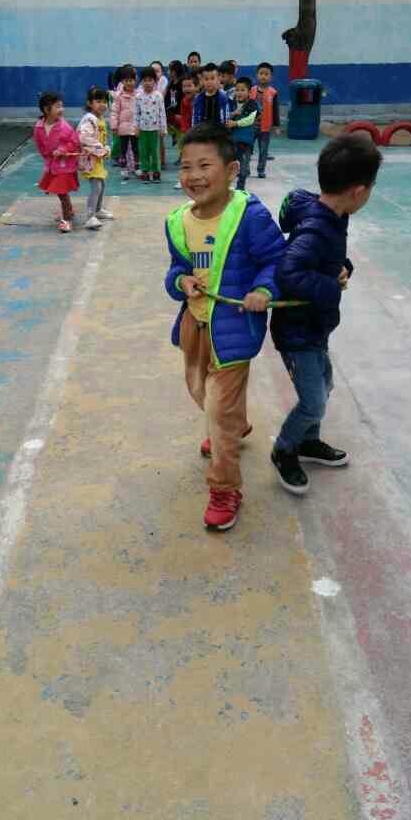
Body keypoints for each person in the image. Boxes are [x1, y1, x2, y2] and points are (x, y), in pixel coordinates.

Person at [165, 123, 285, 531]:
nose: (193, 176)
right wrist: (180, 281)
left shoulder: (249, 216)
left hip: (233, 330)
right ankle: (234, 426)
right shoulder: (178, 221)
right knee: (198, 389)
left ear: (232, 170)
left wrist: (264, 289)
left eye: (205, 166)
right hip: (194, 325)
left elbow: (276, 261)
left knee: (217, 412)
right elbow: (176, 270)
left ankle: (224, 489)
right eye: (186, 167)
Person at [269, 133, 383, 493]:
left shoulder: (332, 215)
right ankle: (284, 448)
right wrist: (331, 285)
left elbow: (324, 258)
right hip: (297, 333)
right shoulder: (319, 228)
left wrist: (342, 266)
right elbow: (289, 272)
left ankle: (307, 442)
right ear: (358, 191)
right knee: (313, 402)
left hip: (314, 327)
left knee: (325, 385)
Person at [33, 91, 80, 233]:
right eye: (58, 106)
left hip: (64, 165)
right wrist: (47, 156)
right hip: (52, 165)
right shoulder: (39, 127)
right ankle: (69, 211)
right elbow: (39, 144)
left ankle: (67, 219)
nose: (62, 109)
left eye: (62, 106)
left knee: (62, 191)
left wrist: (62, 150)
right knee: (61, 193)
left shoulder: (64, 127)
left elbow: (74, 142)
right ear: (46, 109)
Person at [77, 86, 114, 229]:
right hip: (89, 159)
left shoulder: (99, 118)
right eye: (98, 101)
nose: (102, 104)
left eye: (104, 101)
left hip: (97, 158)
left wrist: (104, 148)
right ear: (89, 103)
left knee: (101, 184)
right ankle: (90, 216)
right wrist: (101, 149)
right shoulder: (89, 119)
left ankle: (98, 210)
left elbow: (100, 137)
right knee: (96, 186)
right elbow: (84, 138)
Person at [226, 76, 259, 191]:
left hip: (246, 142)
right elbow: (225, 116)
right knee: (229, 165)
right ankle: (226, 186)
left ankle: (240, 188)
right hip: (232, 141)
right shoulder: (231, 104)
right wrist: (233, 113)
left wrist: (236, 123)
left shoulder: (252, 104)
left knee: (243, 166)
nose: (239, 92)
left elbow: (250, 119)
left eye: (242, 90)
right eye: (237, 90)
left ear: (249, 92)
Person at [135, 66, 167, 182]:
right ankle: (145, 171)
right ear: (141, 82)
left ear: (155, 81)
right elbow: (136, 113)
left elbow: (162, 113)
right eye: (145, 80)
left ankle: (156, 171)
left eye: (150, 80)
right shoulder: (138, 97)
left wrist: (163, 128)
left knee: (155, 151)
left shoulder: (158, 96)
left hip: (155, 130)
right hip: (143, 130)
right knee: (143, 151)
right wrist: (136, 127)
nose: (147, 83)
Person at [251, 62, 281, 178]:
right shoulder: (251, 91)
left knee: (263, 150)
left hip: (265, 128)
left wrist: (276, 126)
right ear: (257, 75)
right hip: (251, 126)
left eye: (266, 74)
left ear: (271, 77)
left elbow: (275, 111)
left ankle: (261, 170)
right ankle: (245, 168)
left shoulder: (273, 93)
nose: (263, 76)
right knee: (247, 148)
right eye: (261, 73)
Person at [110, 65, 139, 180]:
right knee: (123, 150)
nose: (129, 83)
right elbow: (114, 112)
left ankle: (137, 168)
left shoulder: (139, 95)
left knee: (136, 149)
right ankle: (124, 169)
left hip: (135, 128)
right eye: (126, 81)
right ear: (122, 82)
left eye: (131, 80)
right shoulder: (119, 96)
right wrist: (114, 126)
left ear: (135, 81)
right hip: (123, 129)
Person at [173, 70, 199, 189]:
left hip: (199, 133)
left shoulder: (200, 100)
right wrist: (185, 132)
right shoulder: (184, 101)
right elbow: (183, 118)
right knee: (187, 158)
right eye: (184, 86)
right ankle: (184, 180)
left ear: (197, 87)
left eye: (189, 86)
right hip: (188, 133)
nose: (186, 89)